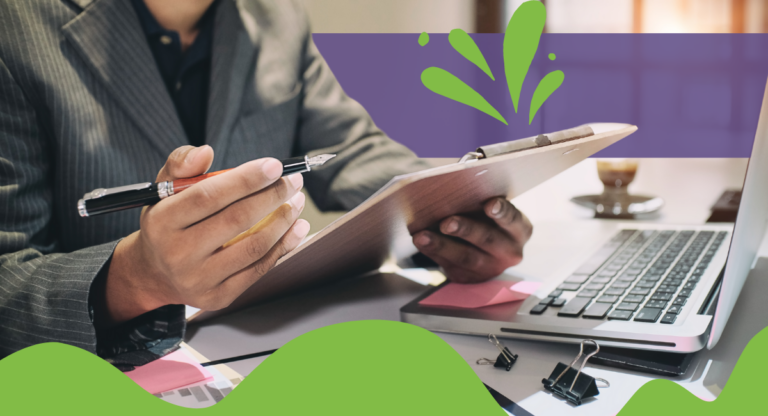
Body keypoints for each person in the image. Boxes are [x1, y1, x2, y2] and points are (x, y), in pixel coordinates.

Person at [0, 0, 533, 370]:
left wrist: (453, 210)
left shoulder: (276, 16)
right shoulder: (16, 30)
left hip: (259, 351)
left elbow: (353, 150)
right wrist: (136, 279)